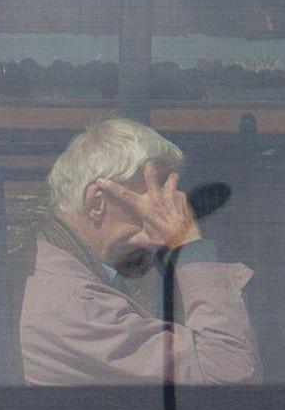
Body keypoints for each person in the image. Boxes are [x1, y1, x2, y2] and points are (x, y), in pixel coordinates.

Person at [20, 119, 260, 385]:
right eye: (154, 199)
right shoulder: (78, 304)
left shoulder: (53, 268)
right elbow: (232, 371)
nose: (166, 214)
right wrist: (189, 243)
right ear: (97, 202)